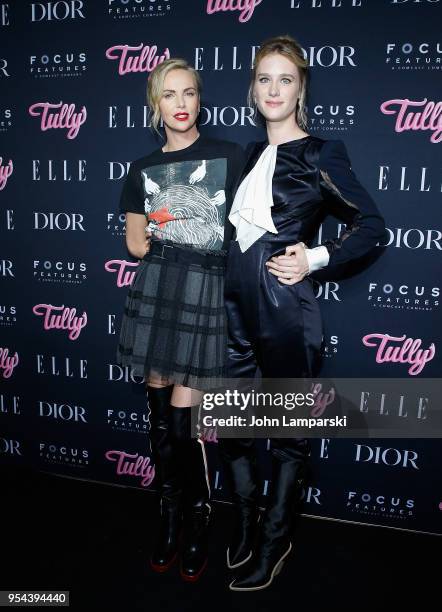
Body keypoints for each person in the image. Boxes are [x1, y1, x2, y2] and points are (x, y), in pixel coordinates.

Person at [220, 35, 386, 591]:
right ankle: (245, 525)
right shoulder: (244, 154)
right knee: (236, 429)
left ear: (301, 89)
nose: (274, 89)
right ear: (252, 88)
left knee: (288, 436)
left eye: (285, 79)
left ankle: (276, 540)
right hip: (234, 311)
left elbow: (371, 227)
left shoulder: (320, 152)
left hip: (287, 310)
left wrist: (315, 256)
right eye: (264, 78)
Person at [116, 58, 244, 582]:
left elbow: (245, 231)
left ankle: (197, 518)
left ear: (198, 99)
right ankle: (169, 515)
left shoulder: (229, 156)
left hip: (204, 290)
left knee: (183, 421)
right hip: (157, 289)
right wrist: (169, 217)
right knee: (158, 421)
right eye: (170, 95)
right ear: (156, 106)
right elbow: (134, 242)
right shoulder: (142, 168)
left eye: (189, 92)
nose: (182, 103)